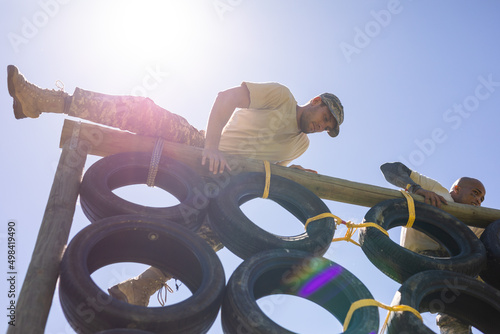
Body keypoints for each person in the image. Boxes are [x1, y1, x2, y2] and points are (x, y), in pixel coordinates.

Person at [8, 65, 344, 305]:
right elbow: (225, 99)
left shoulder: (302, 145)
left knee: (214, 237)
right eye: (324, 117)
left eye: (327, 126)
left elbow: (266, 167)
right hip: (202, 146)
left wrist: (294, 171)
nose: (321, 126)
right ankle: (45, 101)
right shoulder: (281, 97)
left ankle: (139, 289)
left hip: (222, 181)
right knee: (145, 112)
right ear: (315, 101)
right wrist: (211, 146)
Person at [380, 161, 486, 334]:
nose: (478, 201)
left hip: (455, 267)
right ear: (457, 189)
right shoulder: (437, 190)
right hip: (419, 261)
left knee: (463, 302)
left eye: (481, 199)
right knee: (452, 289)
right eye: (475, 193)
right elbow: (389, 168)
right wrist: (416, 189)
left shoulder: (474, 222)